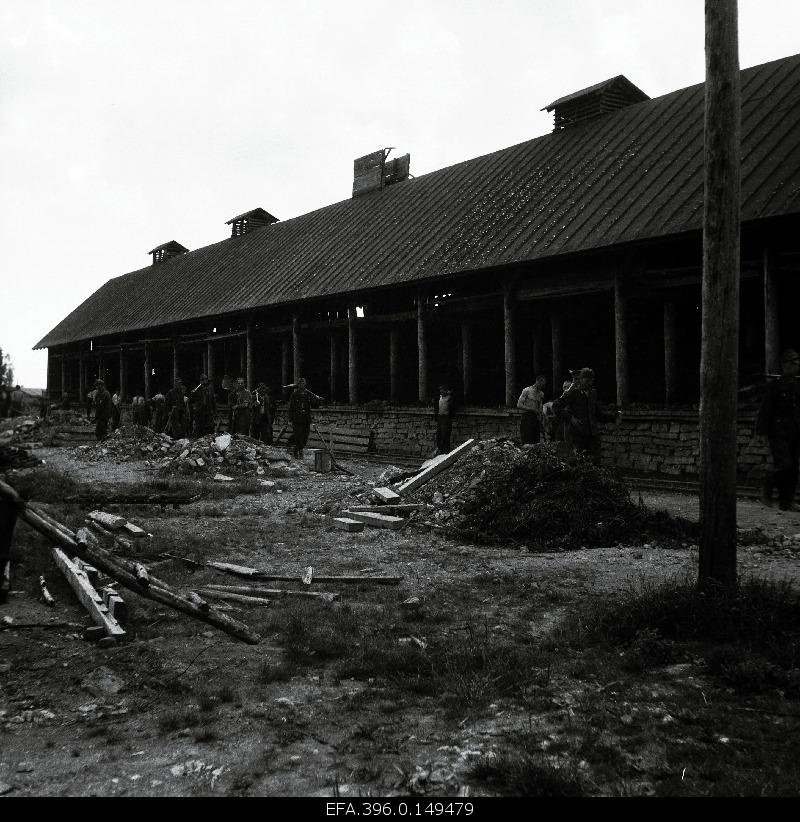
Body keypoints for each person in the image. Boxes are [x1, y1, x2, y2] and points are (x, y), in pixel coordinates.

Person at [756, 348, 800, 511]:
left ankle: (786, 502)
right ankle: (767, 484)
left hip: (794, 433)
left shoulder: (796, 386)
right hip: (778, 432)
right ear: (785, 366)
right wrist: (760, 432)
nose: (797, 367)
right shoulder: (774, 386)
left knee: (794, 469)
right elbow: (765, 410)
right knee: (785, 464)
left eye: (798, 364)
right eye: (794, 364)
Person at [553, 367, 617, 464]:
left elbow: (597, 413)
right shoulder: (573, 393)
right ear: (581, 380)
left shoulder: (593, 393)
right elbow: (556, 406)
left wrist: (613, 417)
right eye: (587, 380)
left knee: (595, 462)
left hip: (592, 435)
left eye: (591, 380)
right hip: (578, 435)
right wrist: (571, 418)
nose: (590, 383)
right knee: (578, 463)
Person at [287, 378, 323, 459]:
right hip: (297, 419)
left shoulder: (308, 394)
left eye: (304, 384)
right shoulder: (294, 394)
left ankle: (297, 449)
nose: (302, 385)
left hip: (306, 419)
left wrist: (318, 400)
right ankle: (297, 451)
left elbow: (314, 405)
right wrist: (290, 419)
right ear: (298, 385)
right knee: (298, 435)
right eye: (301, 384)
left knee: (305, 436)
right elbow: (290, 407)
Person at [517, 375, 547, 444]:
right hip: (526, 417)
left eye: (543, 385)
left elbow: (540, 408)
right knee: (527, 439)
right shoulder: (527, 390)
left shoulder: (541, 394)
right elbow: (519, 404)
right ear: (537, 382)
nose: (542, 386)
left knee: (536, 440)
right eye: (541, 384)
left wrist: (542, 418)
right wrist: (532, 409)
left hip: (535, 418)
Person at [432, 383, 457, 456]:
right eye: (441, 390)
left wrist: (451, 393)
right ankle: (441, 450)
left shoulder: (450, 398)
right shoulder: (438, 397)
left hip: (446, 417)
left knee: (445, 434)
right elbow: (434, 395)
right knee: (439, 434)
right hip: (440, 417)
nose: (442, 392)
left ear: (447, 391)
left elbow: (456, 398)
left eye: (443, 390)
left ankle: (446, 451)